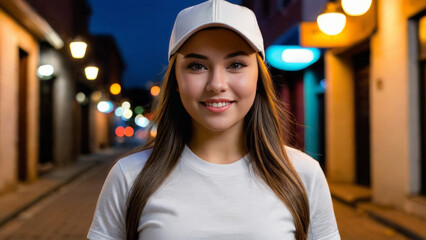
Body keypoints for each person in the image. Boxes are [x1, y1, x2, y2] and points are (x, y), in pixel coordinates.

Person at [88, 0, 340, 239]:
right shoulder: (130, 176)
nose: (217, 84)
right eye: (197, 66)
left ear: (258, 78)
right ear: (175, 80)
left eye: (236, 64)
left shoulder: (302, 174)